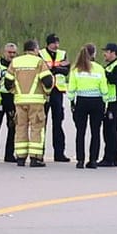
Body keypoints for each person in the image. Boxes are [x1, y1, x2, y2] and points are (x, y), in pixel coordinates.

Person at [6, 40, 55, 168]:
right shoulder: (39, 62)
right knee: (37, 128)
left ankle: (20, 158)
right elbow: (48, 81)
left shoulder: (15, 62)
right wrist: (46, 92)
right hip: (36, 101)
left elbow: (7, 83)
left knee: (20, 128)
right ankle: (35, 158)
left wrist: (14, 91)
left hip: (20, 101)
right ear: (35, 49)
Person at [64, 43, 107, 168]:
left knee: (80, 132)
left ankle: (80, 160)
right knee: (95, 132)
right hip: (97, 102)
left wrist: (71, 101)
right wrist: (105, 101)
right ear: (94, 54)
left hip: (81, 101)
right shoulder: (99, 68)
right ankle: (93, 160)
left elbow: (71, 88)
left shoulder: (76, 69)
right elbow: (103, 88)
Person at [96, 42, 117, 168]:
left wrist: (103, 73)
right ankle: (111, 158)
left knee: (110, 129)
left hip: (115, 101)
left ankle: (110, 158)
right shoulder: (111, 65)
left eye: (107, 52)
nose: (104, 54)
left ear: (113, 53)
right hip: (111, 101)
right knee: (109, 128)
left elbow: (116, 79)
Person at [43, 32, 71, 162]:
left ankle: (59, 153)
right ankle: (39, 153)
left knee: (58, 123)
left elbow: (66, 70)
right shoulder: (41, 53)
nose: (56, 45)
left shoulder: (62, 53)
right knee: (41, 123)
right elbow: (42, 70)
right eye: (54, 43)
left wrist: (54, 68)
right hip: (44, 91)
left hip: (58, 91)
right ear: (48, 44)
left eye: (57, 43)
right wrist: (58, 67)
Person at [0, 42, 18, 163]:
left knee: (12, 127)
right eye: (10, 52)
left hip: (12, 98)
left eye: (14, 53)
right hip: (0, 97)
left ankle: (9, 154)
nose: (12, 55)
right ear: (4, 52)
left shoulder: (17, 65)